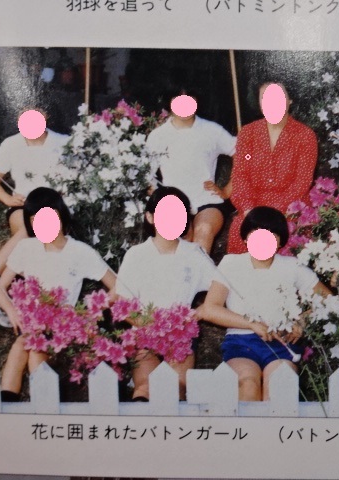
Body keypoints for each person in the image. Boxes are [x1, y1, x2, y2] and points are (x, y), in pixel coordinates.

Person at [0, 188, 116, 402]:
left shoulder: (80, 252)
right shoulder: (26, 248)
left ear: (60, 215)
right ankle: (7, 399)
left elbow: (116, 286)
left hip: (65, 325)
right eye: (35, 219)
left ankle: (41, 399)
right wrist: (12, 311)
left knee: (31, 349)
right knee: (22, 346)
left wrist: (89, 313)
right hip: (34, 322)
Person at [201, 206, 331, 401]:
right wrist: (251, 324)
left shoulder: (292, 266)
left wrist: (302, 321)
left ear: (280, 241)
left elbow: (329, 300)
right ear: (246, 238)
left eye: (272, 235)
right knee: (247, 382)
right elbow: (210, 308)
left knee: (280, 384)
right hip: (241, 342)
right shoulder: (231, 264)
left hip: (281, 342)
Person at [115, 186, 223, 401]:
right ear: (150, 217)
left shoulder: (194, 254)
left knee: (176, 388)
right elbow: (122, 304)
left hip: (180, 336)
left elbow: (221, 285)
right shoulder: (136, 255)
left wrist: (202, 310)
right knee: (145, 388)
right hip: (144, 332)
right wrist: (149, 325)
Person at [0, 105, 70, 323]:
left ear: (45, 115)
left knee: (34, 232)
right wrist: (8, 199)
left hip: (53, 208)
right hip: (23, 206)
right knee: (29, 228)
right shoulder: (11, 144)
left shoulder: (63, 143)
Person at [228, 80, 318, 254]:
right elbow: (240, 174)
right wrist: (248, 209)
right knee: (240, 231)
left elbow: (302, 181)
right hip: (253, 206)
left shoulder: (305, 136)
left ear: (289, 100)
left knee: (286, 238)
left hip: (290, 208)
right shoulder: (248, 133)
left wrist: (272, 214)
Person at [145, 87, 237, 254]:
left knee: (204, 231)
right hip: (173, 202)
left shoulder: (212, 130)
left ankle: (200, 270)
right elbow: (146, 173)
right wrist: (154, 192)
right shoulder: (158, 136)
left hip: (207, 201)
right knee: (181, 243)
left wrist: (227, 189)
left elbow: (242, 153)